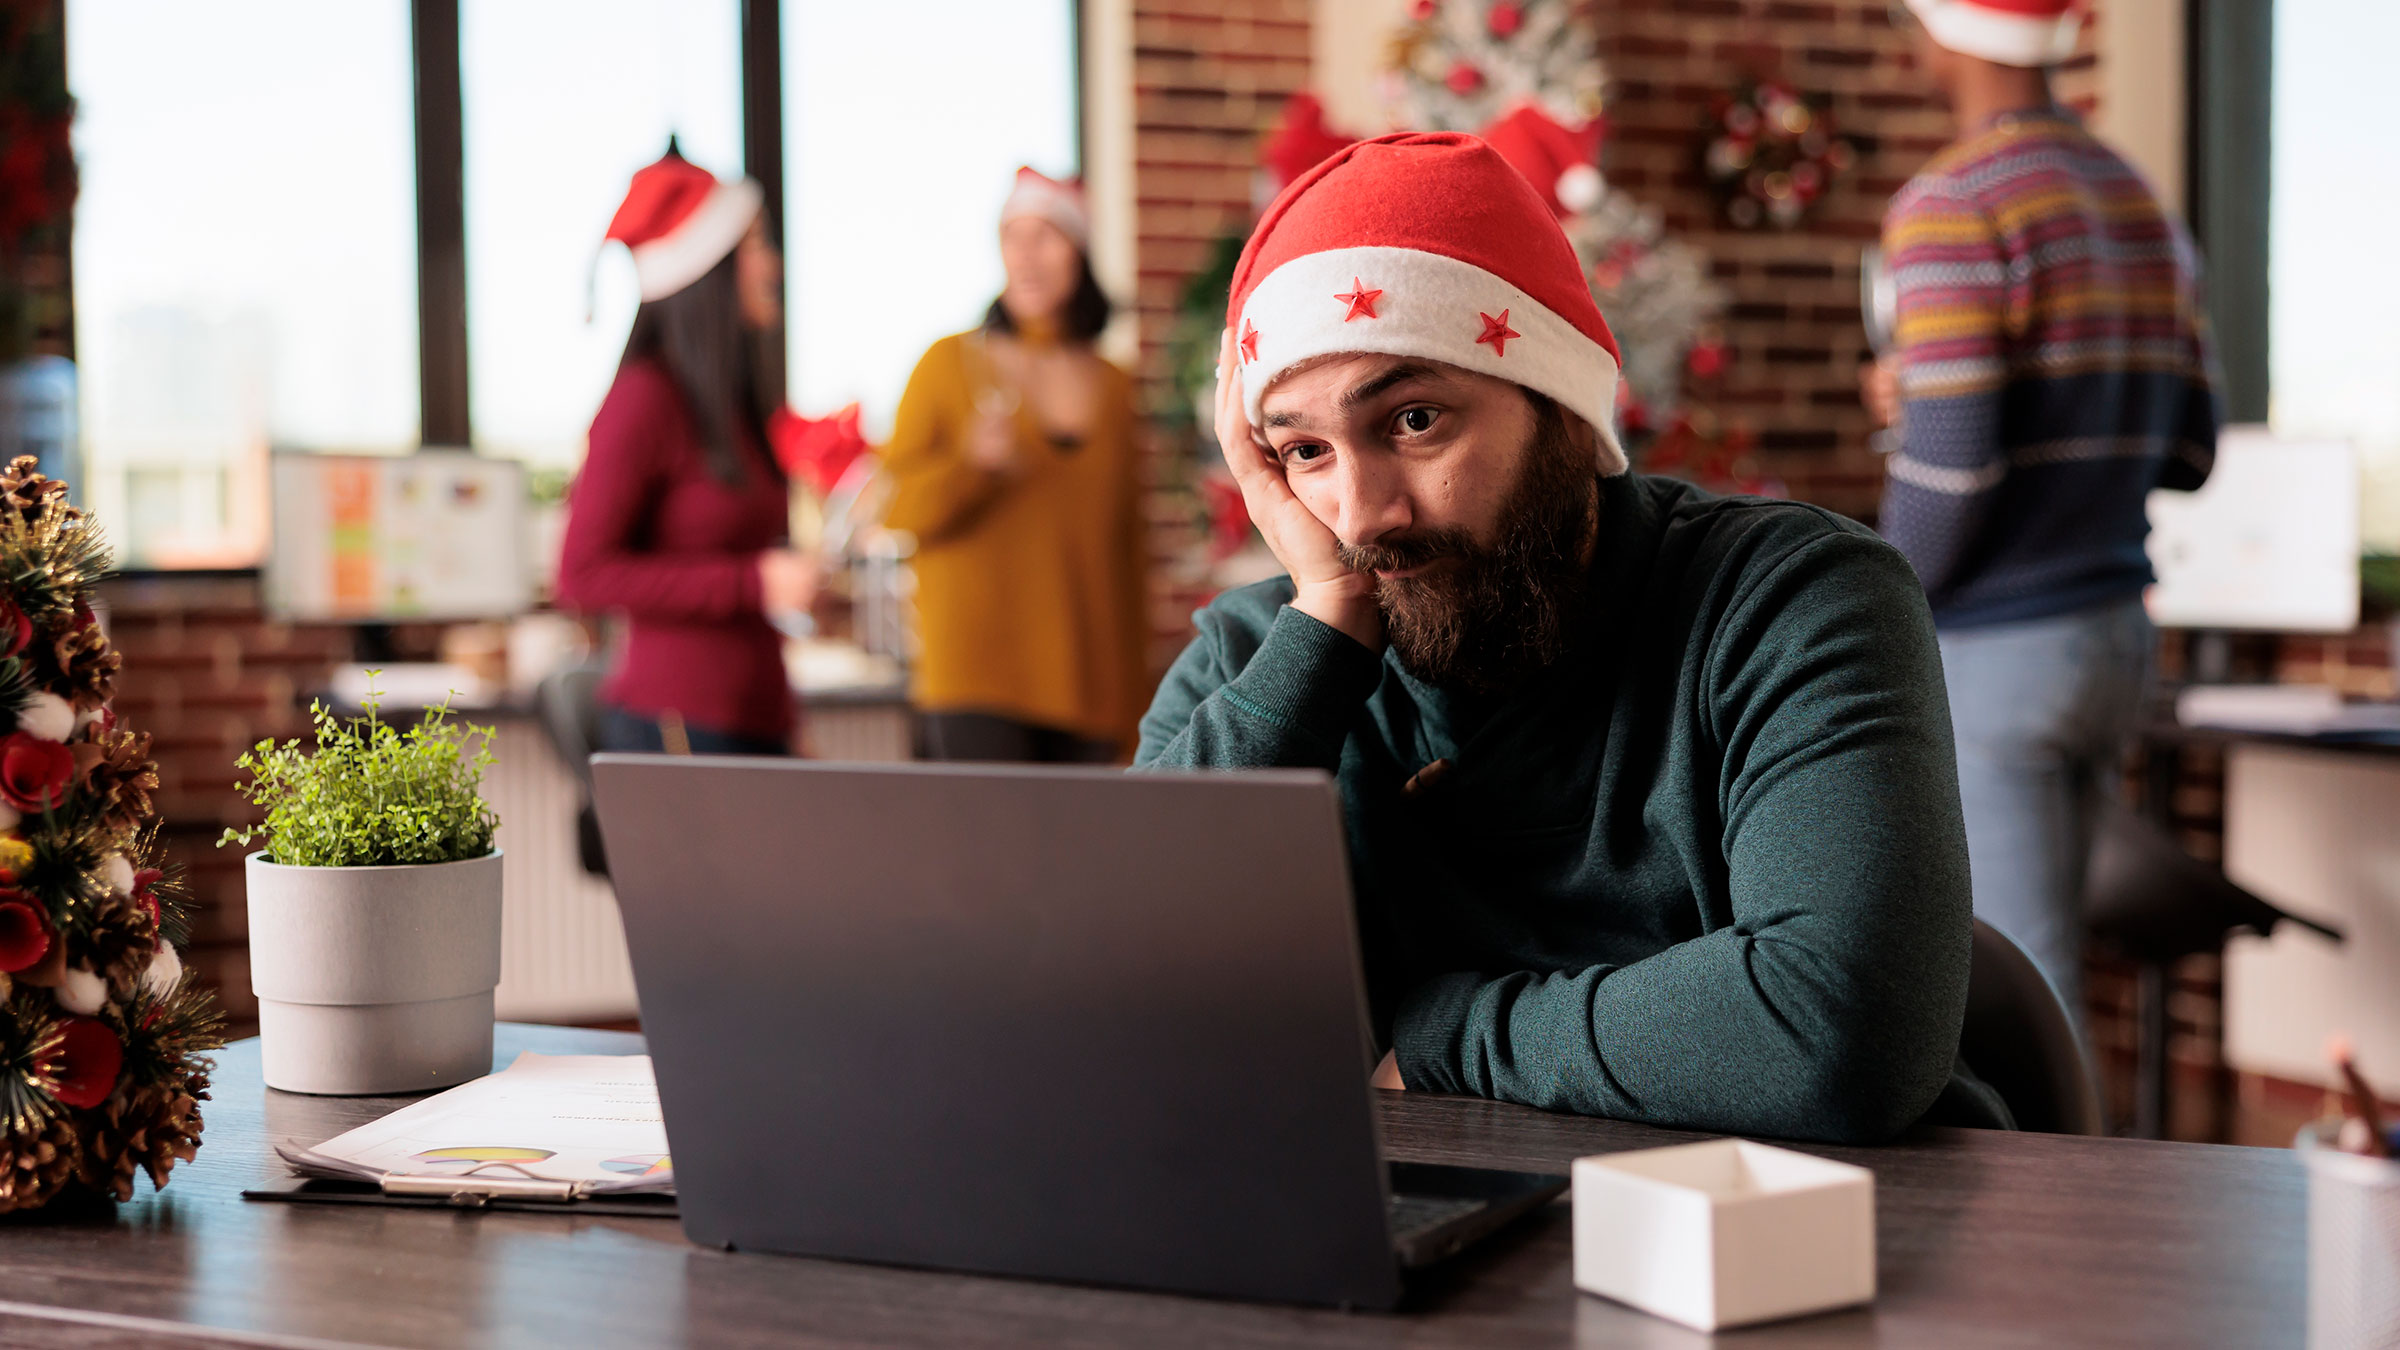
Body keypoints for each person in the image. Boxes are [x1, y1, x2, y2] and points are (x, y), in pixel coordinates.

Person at [1138, 132, 2008, 1144]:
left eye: (1415, 418)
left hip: (1808, 1248)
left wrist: (1442, 1039)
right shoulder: (1269, 655)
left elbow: (1840, 1025)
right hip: (1418, 1258)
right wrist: (1326, 619)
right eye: (1304, 451)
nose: (1361, 512)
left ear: (1561, 407)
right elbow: (1113, 994)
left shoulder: (1792, 600)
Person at [1867, 0, 2219, 1021]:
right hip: (2113, 640)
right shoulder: (2141, 203)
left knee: (2024, 987)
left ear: (1949, 32)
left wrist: (1877, 605)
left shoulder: (1950, 205)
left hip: (2001, 656)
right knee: (2052, 965)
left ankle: (2055, 1188)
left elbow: (1955, 471)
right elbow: (2193, 451)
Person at [881, 169, 1150, 764]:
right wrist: (971, 465)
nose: (1026, 255)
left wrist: (1139, 705)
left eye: (1046, 235)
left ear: (1079, 249)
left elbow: (1127, 557)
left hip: (1091, 688)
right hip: (976, 680)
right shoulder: (947, 364)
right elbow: (896, 507)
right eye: (1011, 236)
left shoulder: (1115, 388)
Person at [559, 144, 818, 757]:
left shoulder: (731, 405)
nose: (772, 264)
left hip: (758, 720)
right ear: (711, 268)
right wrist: (751, 584)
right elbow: (581, 574)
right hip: (678, 729)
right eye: (756, 245)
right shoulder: (645, 400)